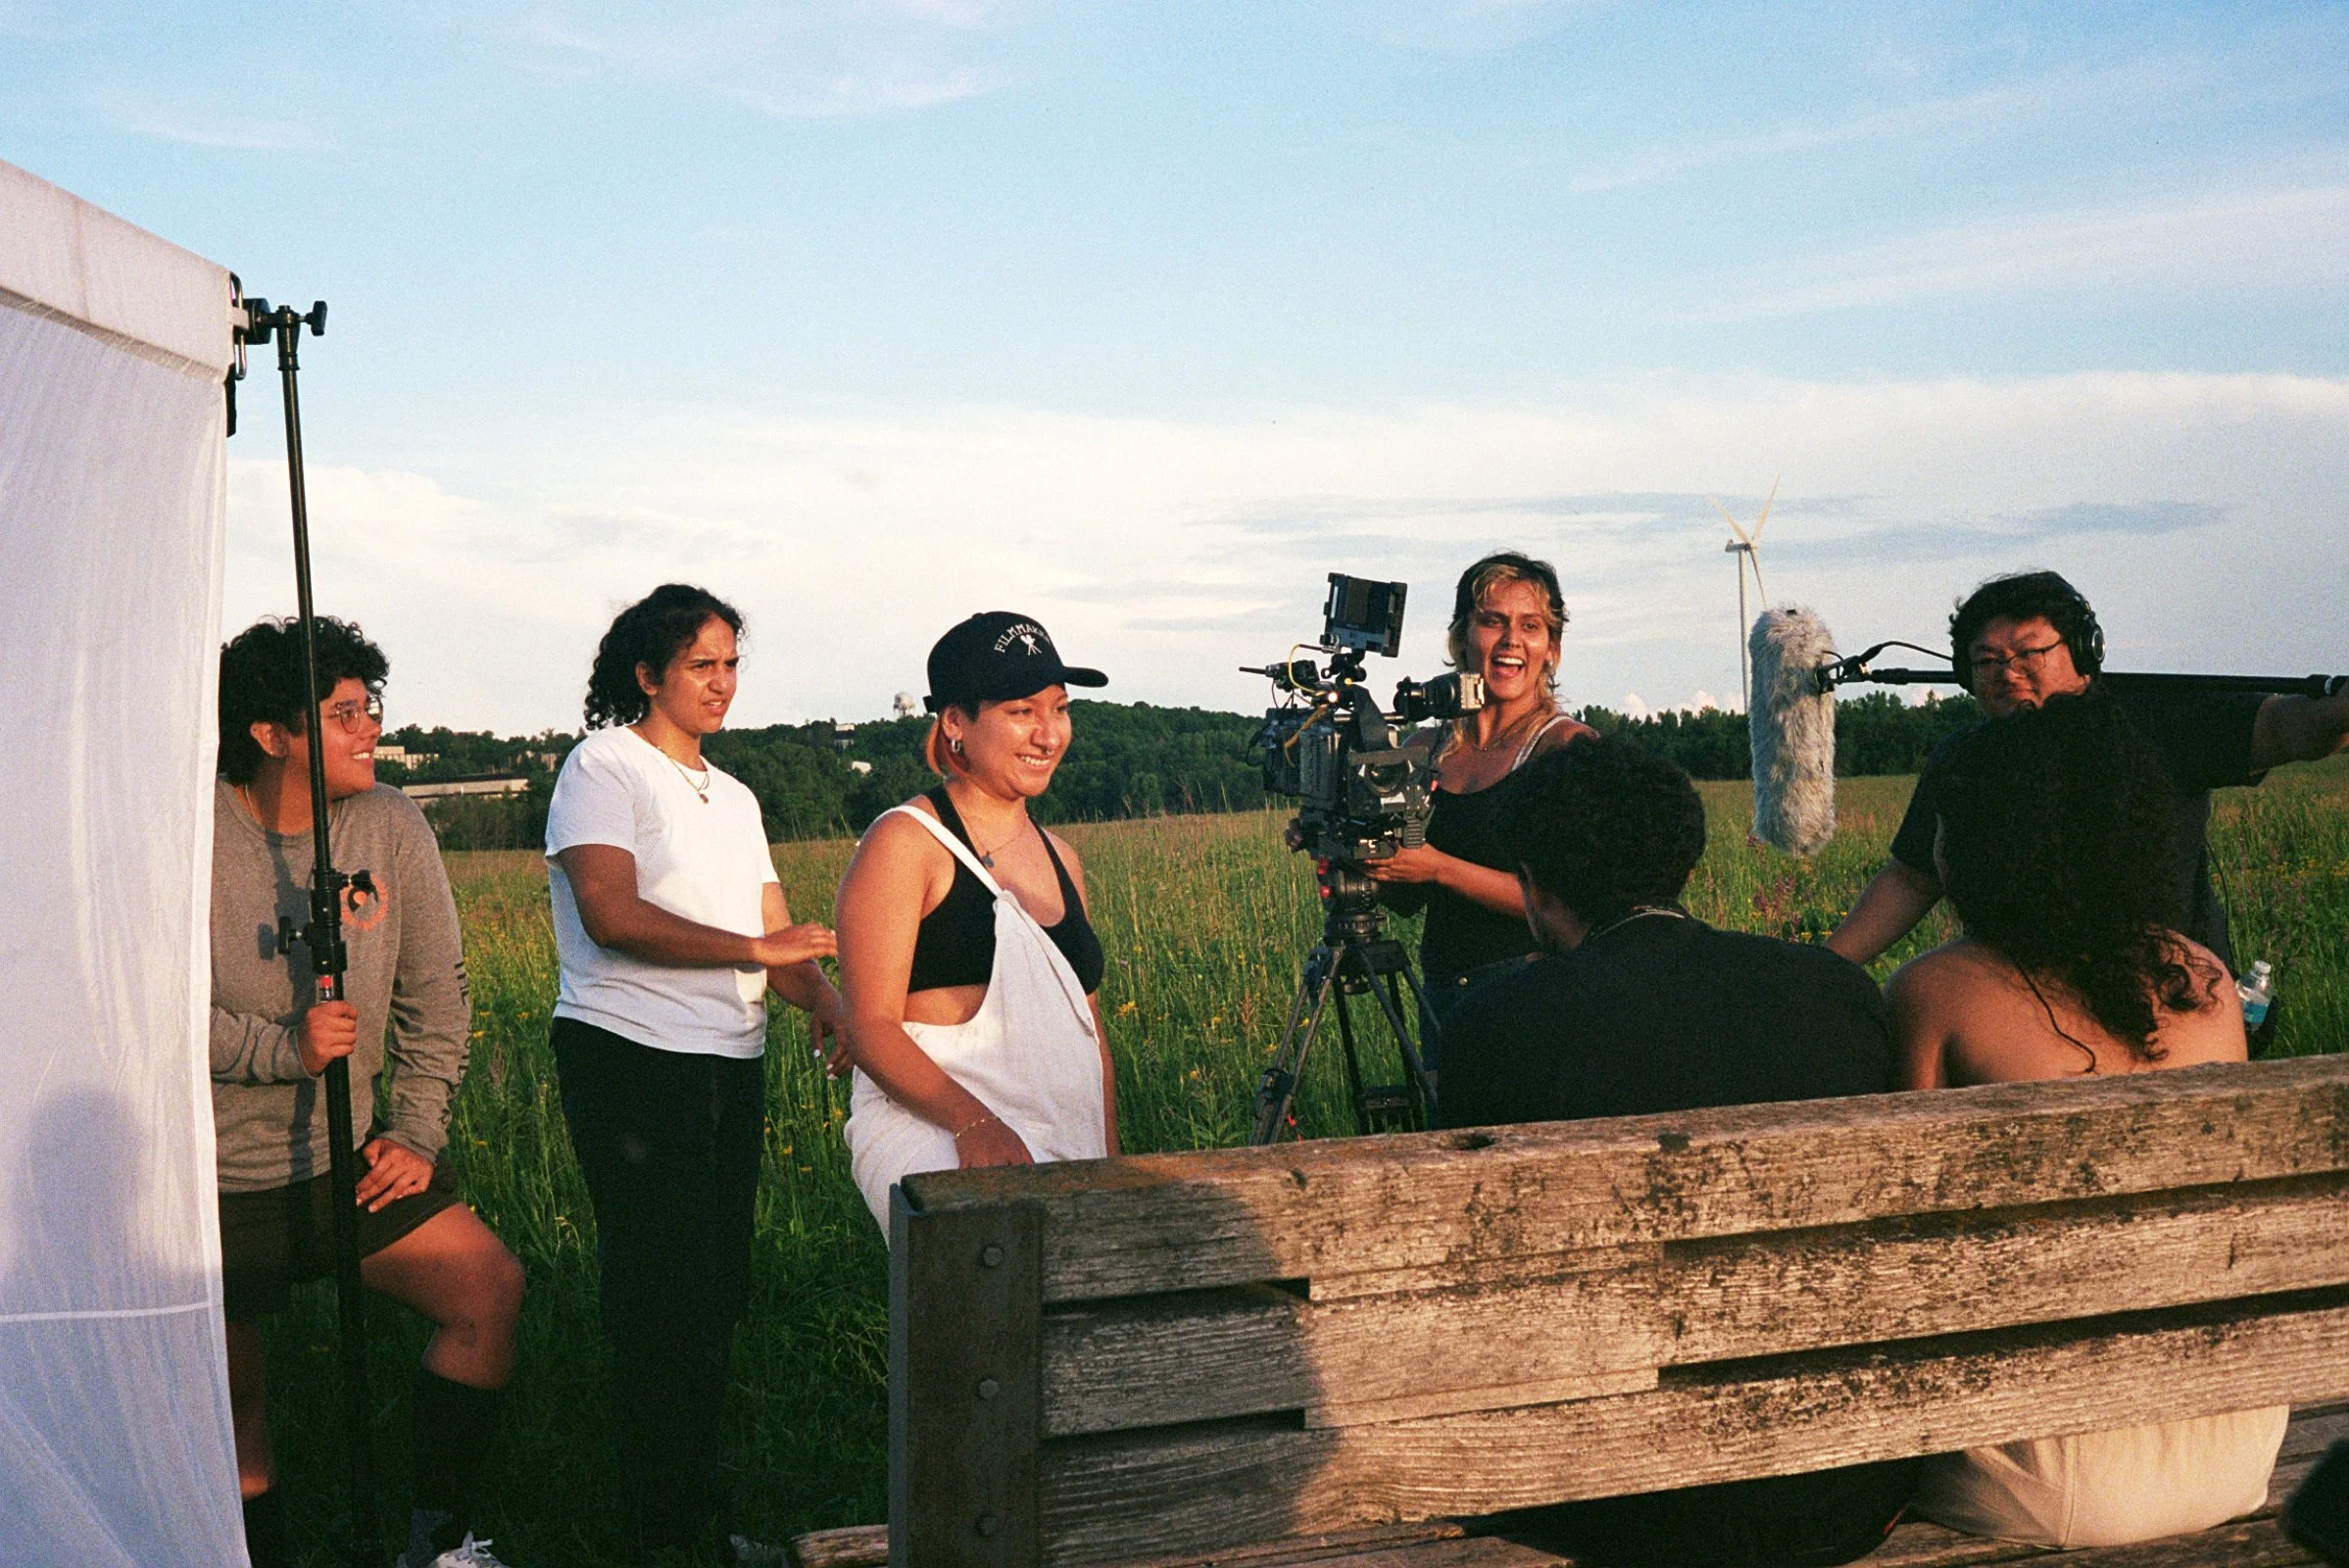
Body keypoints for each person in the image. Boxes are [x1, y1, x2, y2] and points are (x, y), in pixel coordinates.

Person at [1440, 736, 1916, 1566]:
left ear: (1535, 887)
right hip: (1839, 1491)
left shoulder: (1494, 1024)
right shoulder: (1828, 990)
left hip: (1618, 1506)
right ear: (1682, 858)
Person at [1887, 696, 2286, 1546]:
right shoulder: (2202, 978)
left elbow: (1906, 1235)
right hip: (2230, 1440)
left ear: (1988, 841)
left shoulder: (1936, 991)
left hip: (2047, 1471)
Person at [211, 617, 526, 1568]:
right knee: (232, 1398)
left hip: (346, 1156)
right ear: (271, 734)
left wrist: (417, 1130)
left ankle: (437, 1541)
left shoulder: (390, 823)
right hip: (211, 1176)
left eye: (370, 706)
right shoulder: (186, 837)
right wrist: (282, 1048)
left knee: (488, 1289)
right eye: (344, 712)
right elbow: (144, 1010)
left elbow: (440, 992)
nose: (370, 729)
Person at [544, 584, 843, 1559]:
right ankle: (656, 1529)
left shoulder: (738, 793)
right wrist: (759, 954)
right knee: (662, 1299)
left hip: (727, 1062)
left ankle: (697, 1516)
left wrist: (832, 1007)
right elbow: (611, 913)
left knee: (717, 1294)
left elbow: (775, 933)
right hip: (631, 1058)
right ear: (648, 675)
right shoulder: (603, 766)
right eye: (701, 666)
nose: (721, 683)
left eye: (731, 664)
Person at [1829, 570, 2349, 985]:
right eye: (1986, 660)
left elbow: (2286, 728)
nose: (2007, 671)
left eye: (2030, 652)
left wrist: (2337, 713)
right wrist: (1822, 969)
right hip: (2021, 1003)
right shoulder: (1961, 757)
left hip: (2171, 998)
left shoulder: (2162, 721)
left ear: (2084, 651)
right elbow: (1912, 877)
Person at [834, 612, 1118, 1232]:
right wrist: (975, 1123)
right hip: (935, 1126)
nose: (1049, 735)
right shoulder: (906, 843)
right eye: (1022, 712)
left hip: (1059, 1133)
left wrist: (1111, 1166)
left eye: (1061, 709)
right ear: (956, 723)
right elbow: (869, 1027)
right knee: (988, 1264)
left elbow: (1088, 1028)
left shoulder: (1062, 858)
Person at [1365, 552, 1591, 1058]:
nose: (1512, 641)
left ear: (1551, 649)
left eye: (1530, 626)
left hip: (1535, 998)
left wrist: (1440, 868)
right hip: (1445, 998)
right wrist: (1362, 858)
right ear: (1461, 638)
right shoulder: (1425, 747)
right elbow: (1407, 901)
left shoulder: (1566, 749)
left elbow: (1572, 903)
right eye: (1493, 621)